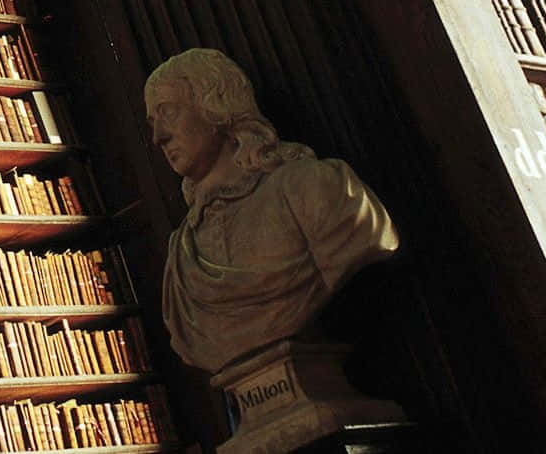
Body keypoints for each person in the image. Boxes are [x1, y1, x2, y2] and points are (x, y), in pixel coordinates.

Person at [146, 48, 400, 375]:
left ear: (216, 106)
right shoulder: (181, 255)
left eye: (168, 113)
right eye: (152, 123)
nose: (158, 137)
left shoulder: (312, 187)